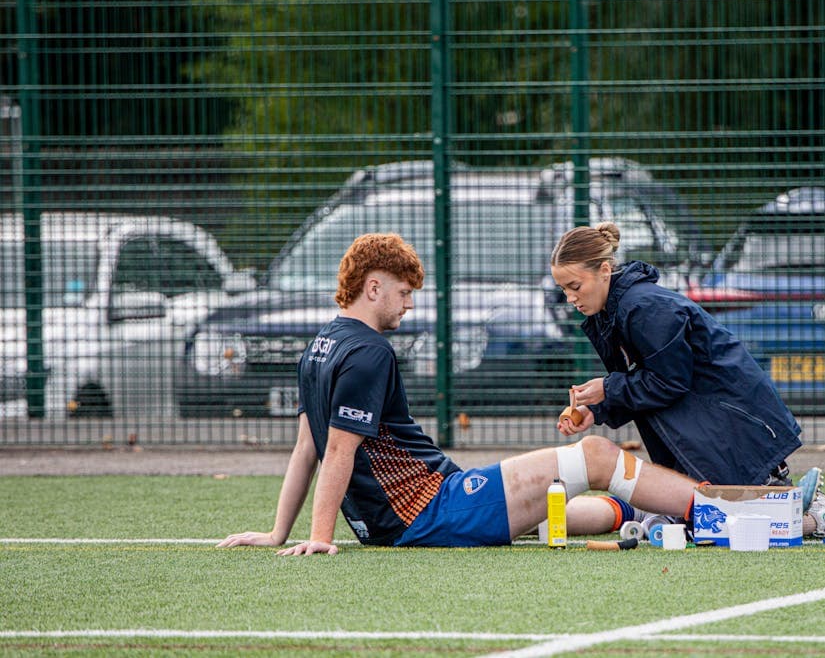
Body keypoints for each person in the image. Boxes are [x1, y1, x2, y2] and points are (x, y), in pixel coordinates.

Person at [217, 232, 702, 554]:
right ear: (372, 287)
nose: (408, 306)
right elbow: (339, 448)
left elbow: (308, 448)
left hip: (408, 516)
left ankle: (629, 511)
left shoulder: (319, 347)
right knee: (594, 455)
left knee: (544, 511)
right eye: (404, 293)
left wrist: (278, 533)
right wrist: (320, 538)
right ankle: (716, 510)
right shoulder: (370, 352)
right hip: (432, 509)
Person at [549, 222, 825, 539]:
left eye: (575, 286)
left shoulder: (643, 307)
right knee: (713, 518)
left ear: (604, 270)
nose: (570, 298)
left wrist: (608, 389)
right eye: (564, 289)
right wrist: (602, 407)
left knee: (732, 520)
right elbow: (647, 380)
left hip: (729, 413)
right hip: (711, 416)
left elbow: (668, 380)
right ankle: (802, 504)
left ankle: (819, 516)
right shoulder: (618, 309)